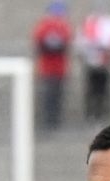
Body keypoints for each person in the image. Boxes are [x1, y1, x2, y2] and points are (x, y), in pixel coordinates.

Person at [78, 4, 110, 122]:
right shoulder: (89, 21)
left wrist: (109, 51)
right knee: (91, 88)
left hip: (106, 62)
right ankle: (90, 113)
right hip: (91, 61)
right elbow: (83, 40)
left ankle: (102, 113)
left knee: (104, 89)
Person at [33, 2, 73, 130]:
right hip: (47, 68)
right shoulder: (43, 27)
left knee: (58, 95)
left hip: (60, 68)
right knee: (48, 95)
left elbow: (66, 45)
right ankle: (48, 120)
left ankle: (55, 120)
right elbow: (39, 45)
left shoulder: (64, 27)